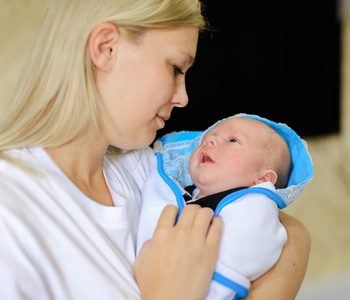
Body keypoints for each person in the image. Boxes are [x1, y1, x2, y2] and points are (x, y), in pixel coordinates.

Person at [0, 0, 311, 299]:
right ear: (106, 48)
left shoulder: (145, 171)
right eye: (176, 68)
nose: (183, 97)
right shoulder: (11, 213)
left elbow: (294, 235)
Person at [137, 114, 314, 299]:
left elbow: (249, 247)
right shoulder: (183, 191)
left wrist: (212, 285)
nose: (209, 140)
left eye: (233, 140)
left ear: (263, 179)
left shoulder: (254, 205)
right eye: (207, 138)